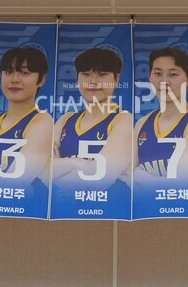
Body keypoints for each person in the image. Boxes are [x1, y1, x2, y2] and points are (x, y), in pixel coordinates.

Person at [0, 47, 53, 191]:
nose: (15, 79)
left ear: (41, 80)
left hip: (22, 210)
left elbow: (15, 183)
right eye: (9, 72)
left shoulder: (43, 122)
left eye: (25, 73)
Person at [52, 47, 132, 191]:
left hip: (110, 209)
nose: (93, 81)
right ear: (77, 78)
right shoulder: (65, 120)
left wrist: (62, 165)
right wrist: (77, 164)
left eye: (102, 74)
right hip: (64, 210)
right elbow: (42, 172)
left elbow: (100, 177)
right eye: (86, 74)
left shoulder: (124, 120)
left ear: (116, 79)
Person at [133, 47, 188, 191]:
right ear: (149, 76)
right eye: (158, 74)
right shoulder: (142, 123)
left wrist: (141, 177)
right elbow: (127, 178)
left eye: (172, 74)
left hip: (183, 211)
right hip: (146, 211)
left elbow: (183, 185)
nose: (164, 81)